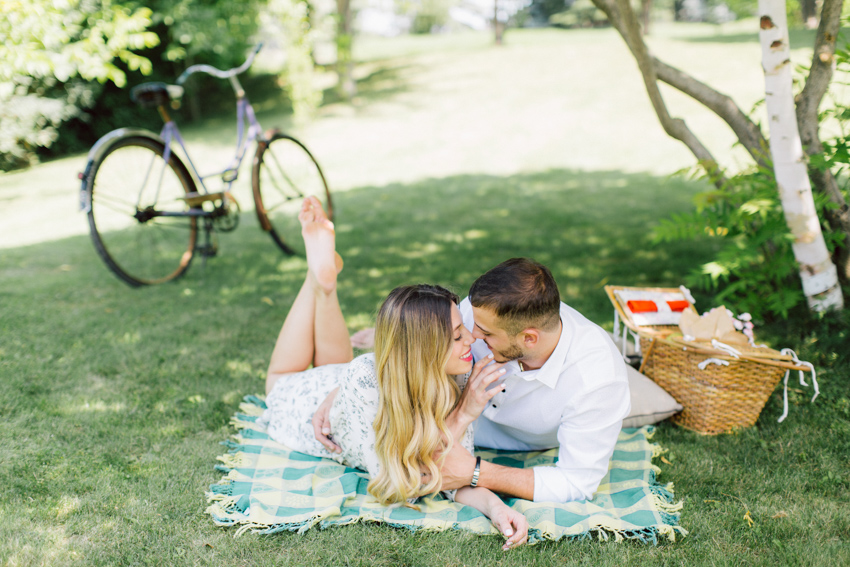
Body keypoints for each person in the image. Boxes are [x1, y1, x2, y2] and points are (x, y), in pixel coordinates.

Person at [259, 197, 528, 550]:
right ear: (422, 350)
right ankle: (317, 279)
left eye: (464, 328)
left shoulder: (459, 373)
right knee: (278, 378)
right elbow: (398, 488)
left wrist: (496, 509)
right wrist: (463, 414)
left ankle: (323, 279)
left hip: (351, 382)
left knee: (343, 366)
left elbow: (452, 472)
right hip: (304, 398)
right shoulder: (368, 381)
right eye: (457, 335)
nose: (472, 341)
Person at [316, 258, 631, 504]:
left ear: (529, 339)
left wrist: (476, 472)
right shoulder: (482, 316)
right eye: (466, 328)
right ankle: (322, 290)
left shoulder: (598, 379)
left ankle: (320, 287)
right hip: (435, 416)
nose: (473, 335)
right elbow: (420, 347)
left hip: (503, 441)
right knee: (316, 377)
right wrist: (343, 389)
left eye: (486, 335)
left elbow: (577, 482)